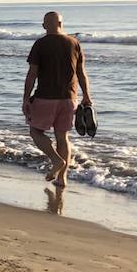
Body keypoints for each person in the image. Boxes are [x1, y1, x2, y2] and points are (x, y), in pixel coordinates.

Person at [22, 10, 92, 188]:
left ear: (45, 25)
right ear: (61, 24)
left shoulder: (40, 44)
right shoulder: (74, 43)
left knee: (36, 132)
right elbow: (81, 73)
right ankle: (62, 178)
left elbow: (32, 75)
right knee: (63, 137)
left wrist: (25, 99)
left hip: (45, 97)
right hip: (69, 99)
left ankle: (55, 160)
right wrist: (87, 97)